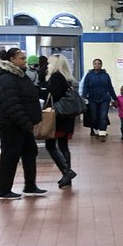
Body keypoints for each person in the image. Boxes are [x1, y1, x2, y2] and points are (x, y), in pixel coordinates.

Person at [0, 47, 47, 200]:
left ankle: (30, 186)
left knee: (30, 152)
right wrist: (27, 123)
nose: (24, 60)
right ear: (12, 60)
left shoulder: (20, 76)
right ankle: (4, 191)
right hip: (11, 124)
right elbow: (12, 105)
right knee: (10, 155)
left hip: (22, 124)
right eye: (21, 58)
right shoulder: (7, 79)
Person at [44, 54, 80, 189]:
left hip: (57, 117)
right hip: (68, 117)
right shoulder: (67, 78)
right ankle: (67, 175)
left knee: (50, 145)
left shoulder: (55, 77)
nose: (47, 66)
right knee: (63, 145)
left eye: (49, 63)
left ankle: (67, 171)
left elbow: (53, 95)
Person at [80, 58, 117, 139]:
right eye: (95, 63)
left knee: (103, 116)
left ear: (101, 65)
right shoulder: (89, 75)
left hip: (104, 99)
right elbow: (85, 87)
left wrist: (115, 98)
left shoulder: (106, 75)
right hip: (92, 99)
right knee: (94, 116)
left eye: (99, 63)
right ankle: (96, 130)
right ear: (93, 65)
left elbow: (110, 87)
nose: (97, 65)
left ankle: (102, 133)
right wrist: (83, 97)